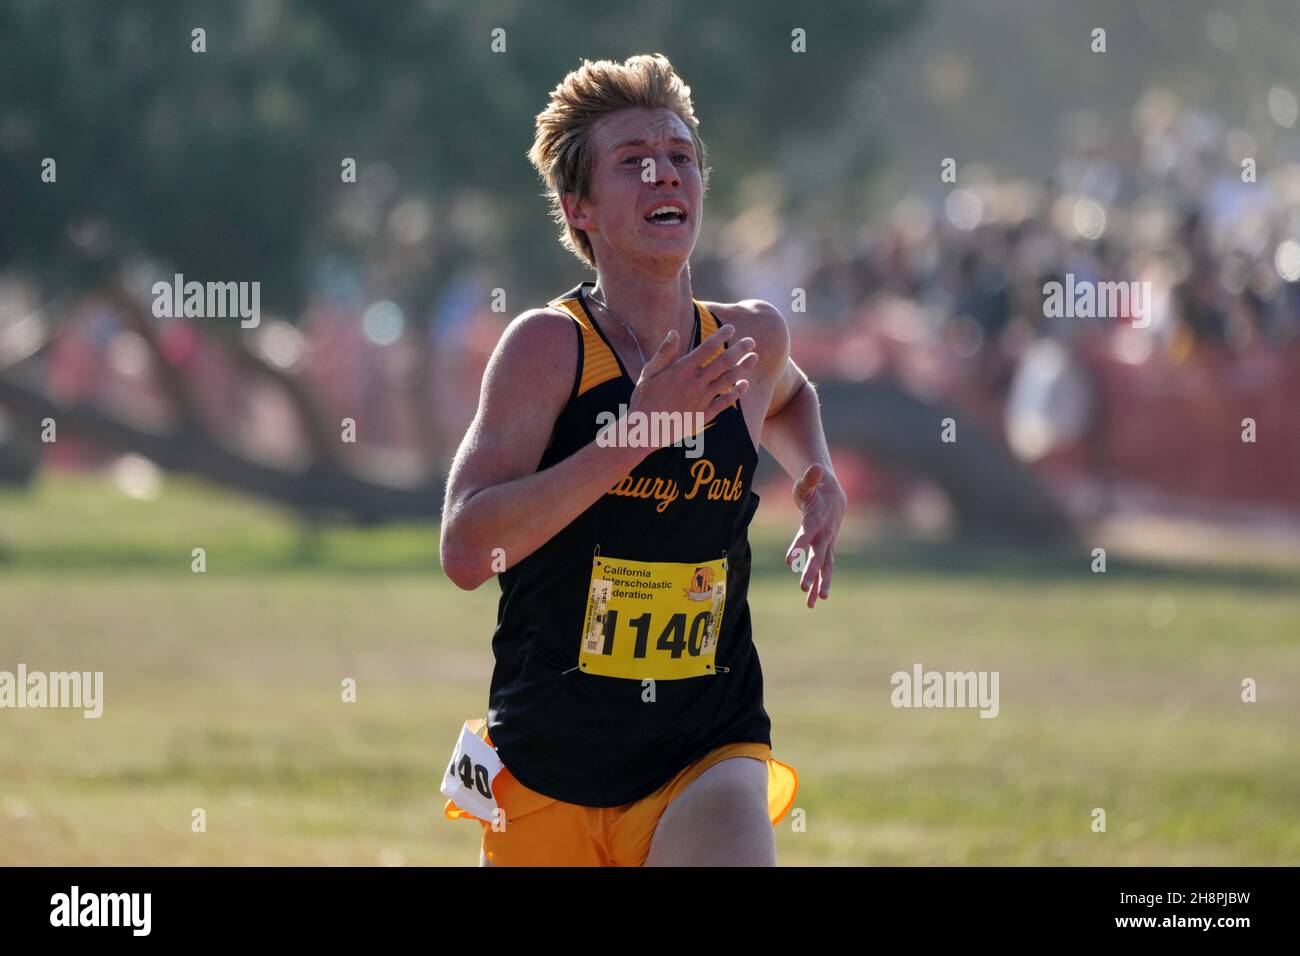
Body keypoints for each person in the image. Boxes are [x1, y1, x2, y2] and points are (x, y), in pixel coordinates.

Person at [439, 53, 846, 866]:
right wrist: (634, 433)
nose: (666, 175)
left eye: (682, 157)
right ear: (578, 208)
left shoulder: (749, 338)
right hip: (548, 761)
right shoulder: (549, 347)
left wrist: (816, 476)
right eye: (633, 163)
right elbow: (465, 550)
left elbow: (792, 398)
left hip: (704, 746)